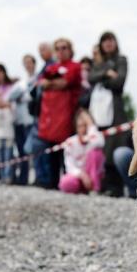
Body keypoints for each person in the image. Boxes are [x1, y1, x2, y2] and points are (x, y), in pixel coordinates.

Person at [36, 38, 82, 188]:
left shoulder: (75, 66)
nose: (61, 51)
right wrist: (51, 83)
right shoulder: (51, 67)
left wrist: (50, 84)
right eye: (58, 48)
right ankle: (52, 181)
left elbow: (64, 82)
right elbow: (41, 83)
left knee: (66, 151)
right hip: (50, 116)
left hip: (66, 115)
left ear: (70, 50)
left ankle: (68, 182)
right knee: (51, 150)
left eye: (64, 48)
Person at [88, 31, 128, 197]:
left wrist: (102, 78)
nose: (108, 43)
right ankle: (103, 184)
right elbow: (91, 77)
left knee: (114, 146)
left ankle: (116, 187)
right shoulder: (100, 63)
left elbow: (119, 81)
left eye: (111, 40)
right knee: (101, 148)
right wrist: (106, 74)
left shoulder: (121, 60)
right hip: (98, 112)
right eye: (104, 41)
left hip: (114, 111)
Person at [26, 42, 56, 187]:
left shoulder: (53, 66)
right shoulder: (42, 69)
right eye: (39, 50)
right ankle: (41, 177)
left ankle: (45, 178)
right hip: (40, 112)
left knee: (43, 146)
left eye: (43, 49)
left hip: (48, 113)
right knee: (37, 146)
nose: (41, 52)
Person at [59, 109, 105, 195]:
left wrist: (91, 126)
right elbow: (70, 166)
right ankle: (81, 189)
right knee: (65, 182)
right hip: (79, 177)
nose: (83, 129)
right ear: (76, 128)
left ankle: (94, 188)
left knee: (96, 153)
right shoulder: (70, 142)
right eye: (80, 126)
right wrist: (82, 175)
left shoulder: (95, 136)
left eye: (85, 125)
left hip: (94, 176)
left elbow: (99, 143)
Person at [8, 54, 36, 185]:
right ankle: (23, 178)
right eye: (26, 62)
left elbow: (32, 96)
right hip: (19, 120)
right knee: (21, 151)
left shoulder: (37, 78)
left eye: (30, 62)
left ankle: (36, 177)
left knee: (30, 149)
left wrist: (22, 96)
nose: (28, 65)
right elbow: (10, 96)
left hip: (31, 120)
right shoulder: (21, 82)